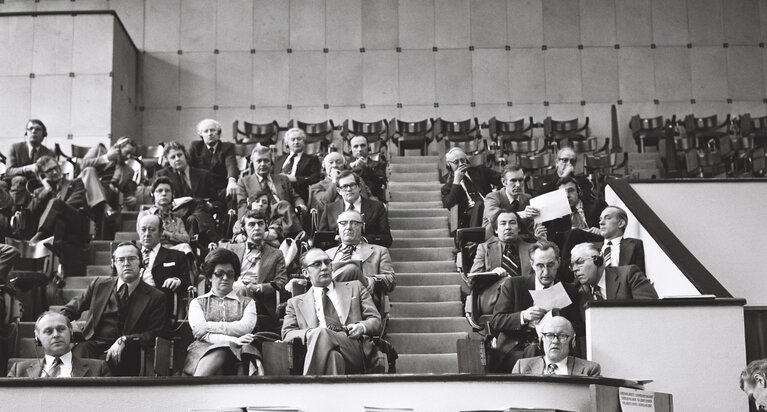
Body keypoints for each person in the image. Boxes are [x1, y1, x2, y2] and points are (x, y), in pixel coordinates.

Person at [60, 242, 167, 376]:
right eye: (121, 260)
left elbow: (155, 333)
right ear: (114, 264)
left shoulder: (156, 296)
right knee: (80, 352)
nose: (126, 263)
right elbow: (71, 309)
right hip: (93, 344)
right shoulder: (99, 285)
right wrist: (59, 323)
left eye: (132, 259)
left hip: (128, 350)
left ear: (141, 263)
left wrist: (126, 340)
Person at [282, 248, 381, 375]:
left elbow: (376, 320)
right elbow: (287, 334)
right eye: (317, 264)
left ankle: (307, 386)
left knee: (322, 333)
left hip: (352, 347)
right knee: (333, 357)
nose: (324, 267)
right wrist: (311, 334)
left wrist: (361, 327)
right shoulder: (295, 303)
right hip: (317, 350)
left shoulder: (355, 287)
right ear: (306, 273)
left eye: (327, 263)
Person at [489, 240, 584, 373]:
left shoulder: (569, 291)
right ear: (532, 264)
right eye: (540, 266)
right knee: (533, 355)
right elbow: (496, 321)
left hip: (556, 348)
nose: (546, 272)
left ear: (558, 262)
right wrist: (523, 316)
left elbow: (580, 328)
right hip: (518, 348)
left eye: (550, 265)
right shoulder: (514, 285)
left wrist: (559, 321)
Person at [184, 248, 258, 376]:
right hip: (203, 350)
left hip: (239, 352)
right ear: (209, 276)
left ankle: (193, 389)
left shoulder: (248, 303)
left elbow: (245, 328)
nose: (225, 278)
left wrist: (207, 325)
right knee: (220, 351)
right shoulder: (197, 303)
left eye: (230, 274)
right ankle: (195, 387)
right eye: (219, 273)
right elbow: (202, 335)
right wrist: (232, 340)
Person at [224, 209, 287, 333]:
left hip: (261, 301)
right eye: (252, 224)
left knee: (244, 289)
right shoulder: (232, 249)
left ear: (266, 227)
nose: (257, 228)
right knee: (240, 288)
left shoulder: (276, 254)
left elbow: (281, 281)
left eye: (260, 223)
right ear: (243, 229)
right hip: (232, 292)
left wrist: (258, 287)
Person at [26, 155, 89, 277]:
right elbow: (30, 211)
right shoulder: (40, 192)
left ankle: (40, 235)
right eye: (49, 171)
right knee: (58, 222)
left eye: (56, 168)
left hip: (75, 223)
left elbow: (73, 204)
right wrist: (47, 190)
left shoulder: (75, 183)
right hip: (57, 230)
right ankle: (58, 269)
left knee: (56, 203)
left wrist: (55, 202)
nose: (55, 172)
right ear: (42, 175)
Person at [156, 141, 222, 249]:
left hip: (199, 214)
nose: (177, 159)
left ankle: (198, 248)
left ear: (185, 155)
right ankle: (215, 239)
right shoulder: (163, 175)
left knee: (193, 218)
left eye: (179, 155)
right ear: (168, 160)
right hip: (176, 213)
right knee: (198, 202)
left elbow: (217, 201)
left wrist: (211, 205)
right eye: (173, 157)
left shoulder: (204, 174)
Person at [470, 211, 535, 317]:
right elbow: (472, 280)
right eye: (503, 223)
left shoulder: (532, 248)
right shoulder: (484, 248)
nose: (508, 227)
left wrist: (542, 241)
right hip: (494, 300)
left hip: (526, 298)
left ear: (519, 228)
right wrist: (491, 275)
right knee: (508, 281)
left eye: (512, 223)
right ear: (496, 229)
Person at [7, 311, 111, 378]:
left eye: (61, 329)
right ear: (37, 336)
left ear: (70, 331)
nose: (56, 335)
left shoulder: (99, 369)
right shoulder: (18, 371)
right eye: (48, 331)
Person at [237, 145, 307, 236]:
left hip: (285, 218)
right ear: (252, 163)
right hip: (261, 218)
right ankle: (297, 234)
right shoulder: (244, 182)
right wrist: (242, 223)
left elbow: (295, 197)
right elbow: (242, 205)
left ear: (271, 163)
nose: (263, 164)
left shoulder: (283, 179)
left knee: (284, 207)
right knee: (284, 204)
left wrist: (300, 204)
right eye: (259, 161)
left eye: (266, 161)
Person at [325, 210, 396, 296]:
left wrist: (372, 280)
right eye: (343, 223)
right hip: (334, 301)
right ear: (338, 228)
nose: (348, 227)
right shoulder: (326, 254)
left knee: (352, 269)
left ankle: (328, 287)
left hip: (363, 298)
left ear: (362, 227)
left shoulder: (379, 251)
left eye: (354, 223)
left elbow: (390, 280)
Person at [318, 170, 392, 248]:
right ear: (339, 191)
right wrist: (338, 240)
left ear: (359, 187)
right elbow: (321, 240)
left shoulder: (377, 207)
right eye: (345, 186)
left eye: (352, 185)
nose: (349, 189)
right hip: (338, 255)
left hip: (369, 254)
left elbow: (386, 239)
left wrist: (363, 240)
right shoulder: (329, 209)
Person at [511, 315, 600, 376]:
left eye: (562, 336)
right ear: (541, 340)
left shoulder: (590, 370)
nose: (555, 341)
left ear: (572, 342)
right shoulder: (521, 367)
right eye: (549, 335)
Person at [136, 214, 190, 315]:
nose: (147, 234)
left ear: (161, 232)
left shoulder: (176, 256)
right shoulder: (130, 254)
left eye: (152, 230)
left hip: (161, 307)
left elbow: (187, 283)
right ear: (138, 231)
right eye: (143, 229)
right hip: (133, 303)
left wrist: (177, 281)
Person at [570, 242, 658, 302]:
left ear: (598, 260)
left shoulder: (629, 275)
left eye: (580, 262)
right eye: (572, 265)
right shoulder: (582, 293)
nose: (574, 269)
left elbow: (650, 309)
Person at [441, 147, 501, 230]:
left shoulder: (481, 171)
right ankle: (474, 237)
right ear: (449, 165)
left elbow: (502, 179)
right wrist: (456, 182)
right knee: (479, 205)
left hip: (489, 205)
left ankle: (473, 240)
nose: (461, 164)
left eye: (463, 160)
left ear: (467, 160)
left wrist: (497, 195)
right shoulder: (447, 183)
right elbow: (448, 204)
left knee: (483, 205)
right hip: (468, 216)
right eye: (456, 162)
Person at [187, 119, 239, 206]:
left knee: (232, 194)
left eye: (212, 130)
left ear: (218, 133)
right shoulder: (195, 146)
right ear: (201, 134)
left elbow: (231, 165)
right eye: (206, 131)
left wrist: (232, 180)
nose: (209, 133)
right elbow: (187, 165)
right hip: (201, 189)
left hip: (220, 189)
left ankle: (231, 218)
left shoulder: (227, 147)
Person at [78, 136, 138, 212]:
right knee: (90, 170)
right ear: (117, 148)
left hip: (108, 194)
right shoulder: (99, 150)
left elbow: (127, 192)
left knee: (111, 189)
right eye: (127, 152)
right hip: (85, 189)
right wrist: (106, 158)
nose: (129, 157)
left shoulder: (128, 171)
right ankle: (104, 206)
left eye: (132, 154)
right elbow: (83, 165)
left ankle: (103, 205)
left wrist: (131, 198)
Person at [482, 165, 541, 239]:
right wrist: (523, 214)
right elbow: (496, 217)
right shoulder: (492, 197)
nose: (518, 185)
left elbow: (530, 230)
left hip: (521, 242)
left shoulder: (527, 198)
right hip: (494, 242)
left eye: (521, 180)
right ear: (504, 182)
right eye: (513, 180)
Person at [308, 152, 372, 214]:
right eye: (331, 162)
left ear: (344, 165)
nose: (335, 165)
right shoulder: (316, 187)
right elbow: (324, 203)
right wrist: (335, 180)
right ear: (324, 166)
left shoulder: (356, 179)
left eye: (338, 162)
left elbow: (367, 198)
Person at [273, 128, 322, 205]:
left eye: (299, 139)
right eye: (293, 139)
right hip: (278, 195)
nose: (296, 142)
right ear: (287, 143)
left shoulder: (312, 159)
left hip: (300, 195)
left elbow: (315, 179)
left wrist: (294, 179)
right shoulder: (278, 159)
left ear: (304, 142)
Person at [598, 206, 645, 272]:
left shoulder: (634, 245)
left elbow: (639, 276)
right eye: (600, 219)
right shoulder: (592, 249)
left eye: (608, 218)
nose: (601, 223)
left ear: (620, 223)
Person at [348, 135, 387, 202]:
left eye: (363, 146)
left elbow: (379, 184)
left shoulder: (379, 164)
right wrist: (350, 168)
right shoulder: (346, 165)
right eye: (356, 146)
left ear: (368, 147)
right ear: (350, 148)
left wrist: (366, 167)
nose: (360, 149)